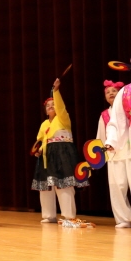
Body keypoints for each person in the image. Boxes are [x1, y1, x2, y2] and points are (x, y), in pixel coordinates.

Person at [30, 78, 87, 223]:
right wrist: (38, 150)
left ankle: (69, 216)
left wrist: (56, 91)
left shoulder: (63, 118)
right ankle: (49, 215)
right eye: (48, 106)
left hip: (62, 153)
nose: (51, 106)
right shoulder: (44, 124)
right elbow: (41, 141)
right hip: (46, 156)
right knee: (46, 187)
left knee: (64, 184)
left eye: (53, 104)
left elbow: (61, 107)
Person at [103, 80, 131, 227]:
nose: (111, 94)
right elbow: (116, 122)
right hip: (121, 146)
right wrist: (110, 142)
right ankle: (124, 218)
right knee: (119, 184)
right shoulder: (125, 92)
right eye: (108, 92)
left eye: (113, 91)